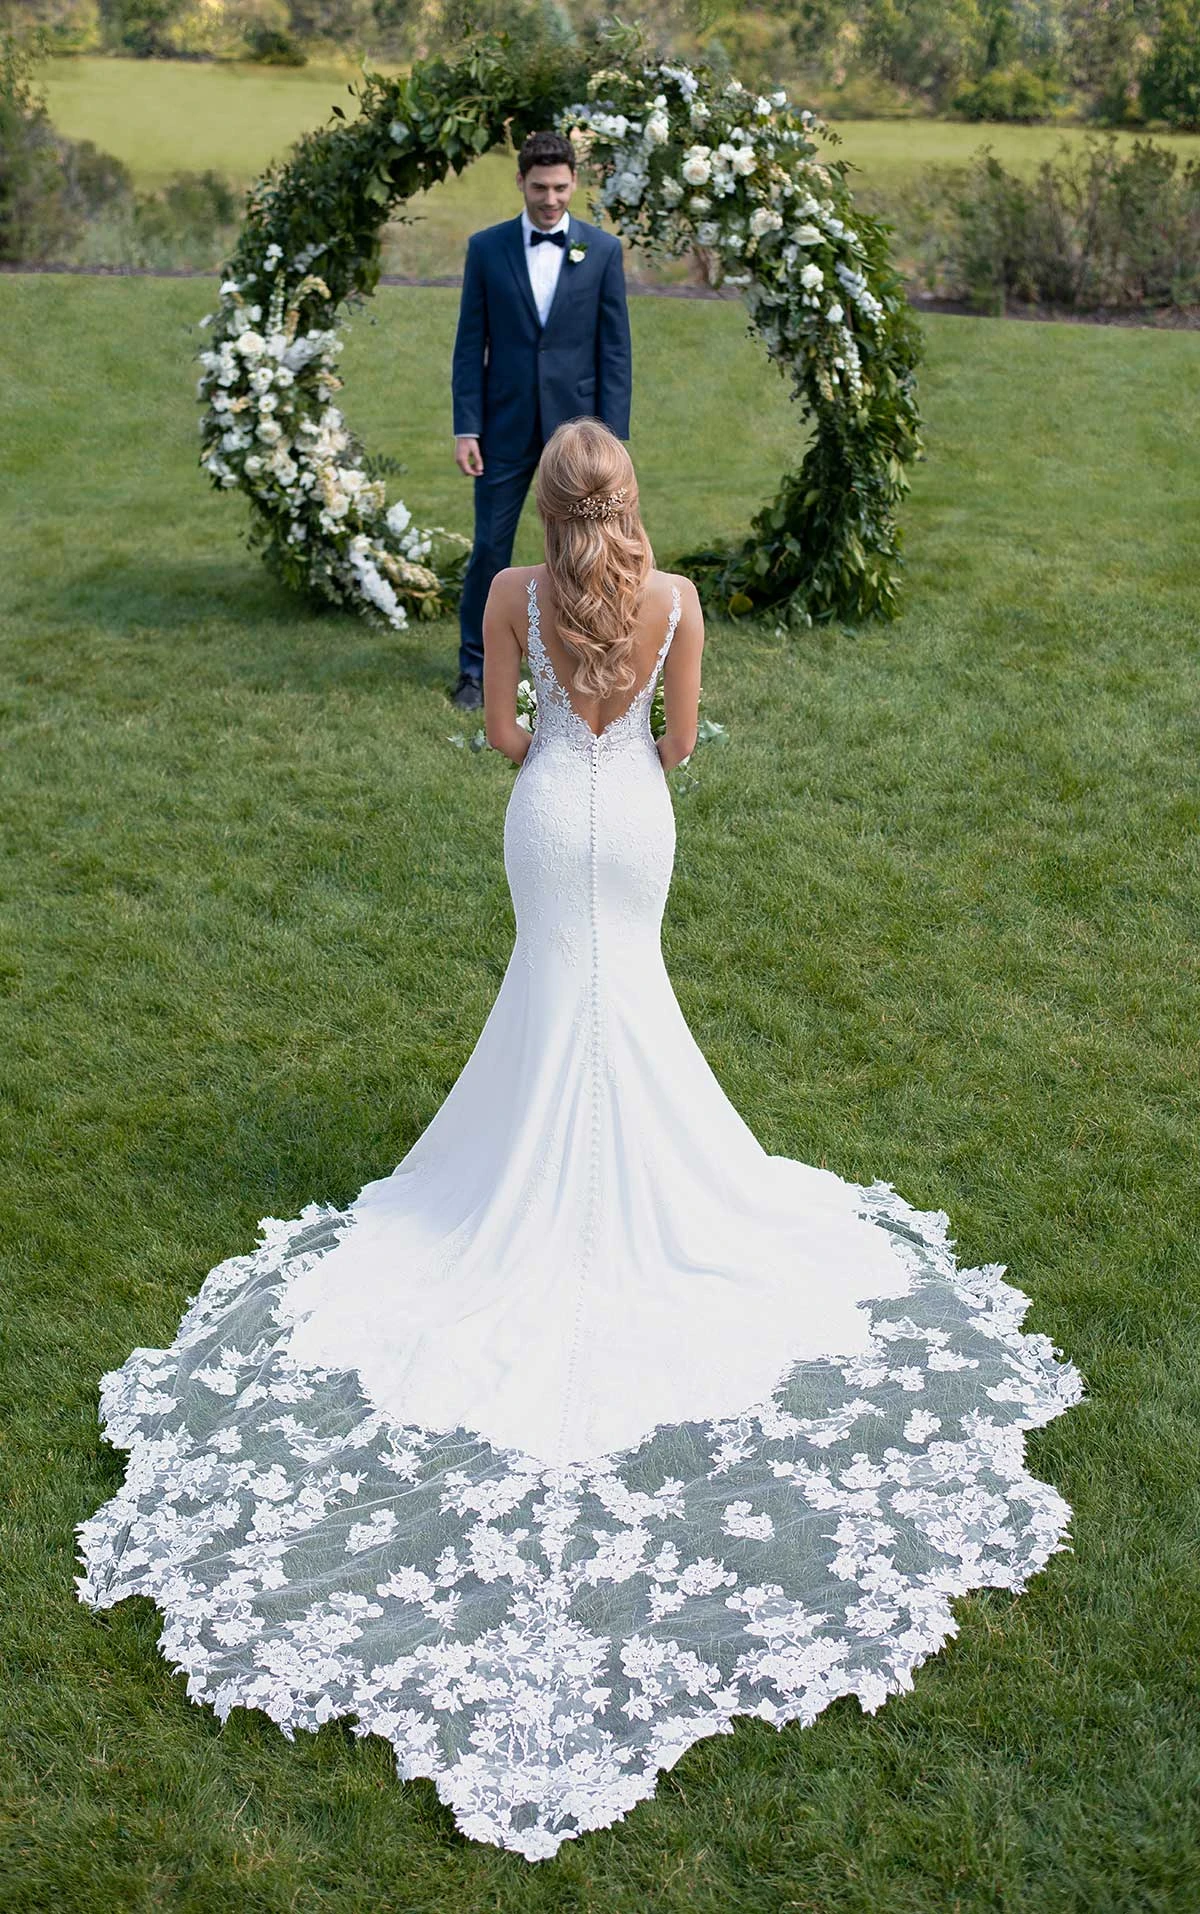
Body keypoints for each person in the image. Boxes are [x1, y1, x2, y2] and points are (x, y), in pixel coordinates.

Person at [76, 420, 1084, 1862]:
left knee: (559, 1000)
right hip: (637, 830)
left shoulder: (503, 595)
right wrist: (628, 733)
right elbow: (677, 743)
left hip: (549, 820)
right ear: (627, 501)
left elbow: (499, 734)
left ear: (541, 506)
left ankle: (523, 1194)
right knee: (632, 999)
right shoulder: (673, 600)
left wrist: (551, 723)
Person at [448, 129, 632, 711]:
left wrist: (611, 439)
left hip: (577, 431)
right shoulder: (486, 248)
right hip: (502, 426)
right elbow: (468, 344)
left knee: (590, 546)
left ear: (574, 182)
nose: (550, 199)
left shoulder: (602, 251)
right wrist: (467, 426)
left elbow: (615, 348)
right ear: (521, 184)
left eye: (559, 187)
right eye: (538, 188)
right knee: (489, 546)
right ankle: (474, 669)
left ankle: (589, 654)